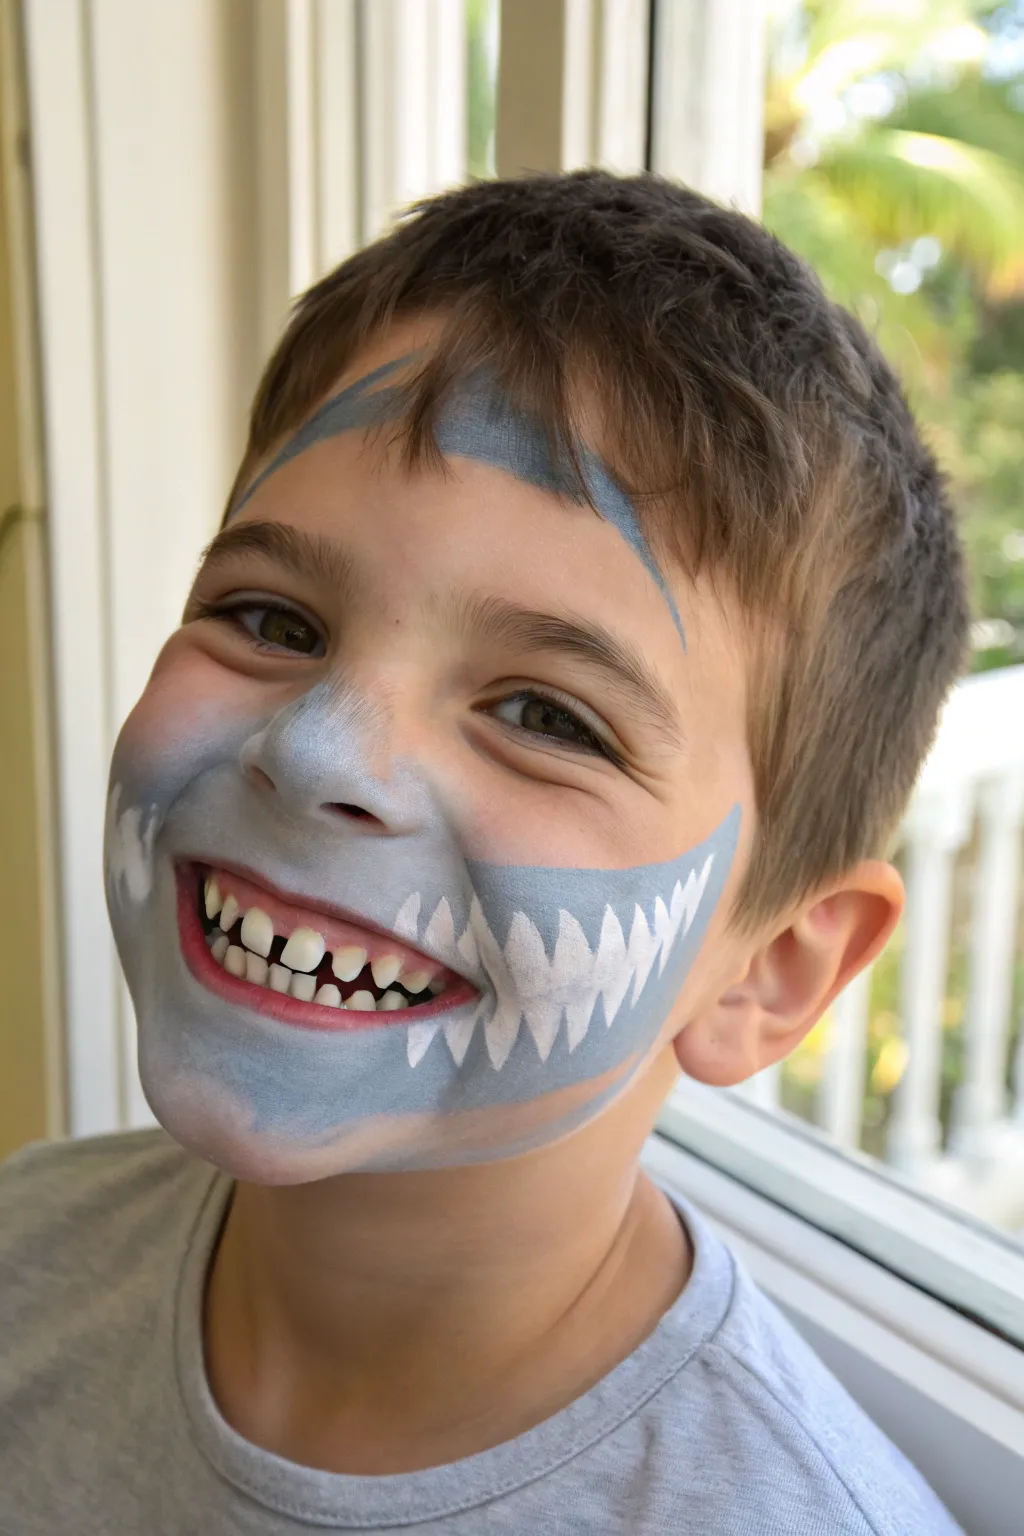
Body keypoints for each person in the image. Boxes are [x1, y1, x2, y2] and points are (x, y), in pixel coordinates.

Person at [0, 171, 966, 1533]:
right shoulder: (23, 1257)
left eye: (543, 715)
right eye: (272, 619)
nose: (320, 752)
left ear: (774, 971)